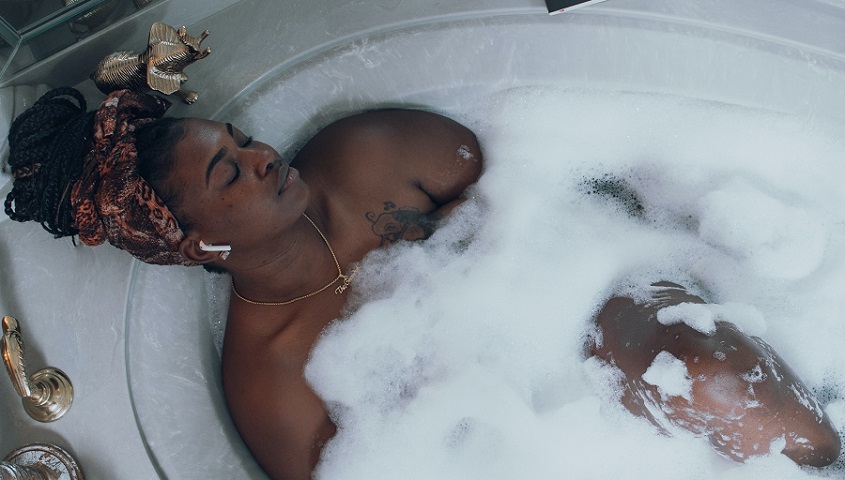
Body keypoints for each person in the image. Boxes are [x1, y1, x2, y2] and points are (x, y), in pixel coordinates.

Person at [4, 88, 840, 479]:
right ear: (196, 243)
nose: (261, 156)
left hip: (589, 297)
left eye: (240, 138)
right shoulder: (273, 377)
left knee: (708, 372)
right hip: (522, 436)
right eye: (231, 171)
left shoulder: (374, 153)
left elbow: (567, 198)